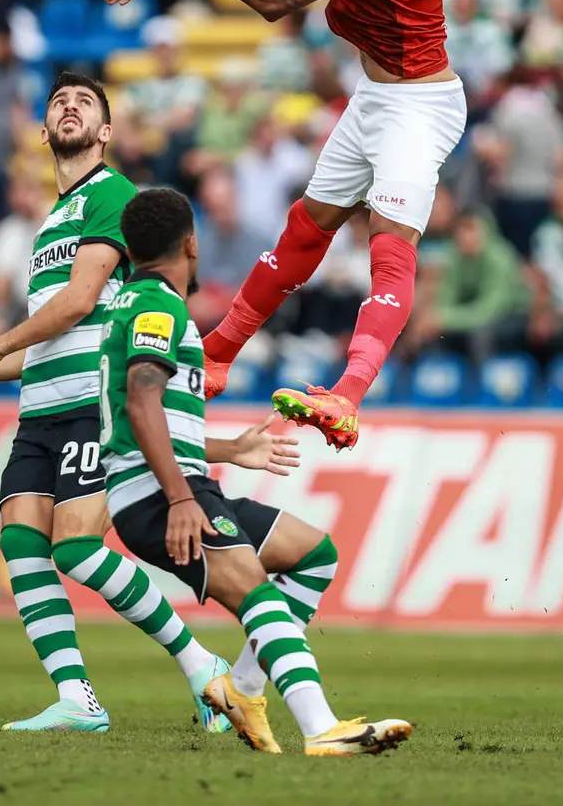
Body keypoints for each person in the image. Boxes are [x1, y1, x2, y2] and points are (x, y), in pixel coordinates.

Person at [111, 0, 464, 451]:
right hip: (378, 97)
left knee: (389, 242)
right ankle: (215, 356)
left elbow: (272, 1)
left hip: (420, 104)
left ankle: (348, 396)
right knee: (307, 226)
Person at [0, 73, 234, 734]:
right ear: (43, 129)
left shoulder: (110, 196)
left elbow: (81, 302)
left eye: (86, 102)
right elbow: (51, 338)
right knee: (22, 542)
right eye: (59, 101)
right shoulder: (49, 219)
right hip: (40, 410)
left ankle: (204, 665)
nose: (71, 106)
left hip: (92, 404)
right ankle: (77, 696)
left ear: (106, 132)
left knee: (77, 550)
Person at [90, 186, 411, 756]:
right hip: (163, 497)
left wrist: (228, 450)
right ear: (192, 245)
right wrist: (183, 499)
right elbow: (140, 405)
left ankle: (240, 690)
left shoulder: (134, 303)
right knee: (257, 596)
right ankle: (321, 729)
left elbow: (147, 416)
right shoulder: (158, 308)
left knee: (313, 555)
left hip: (169, 486)